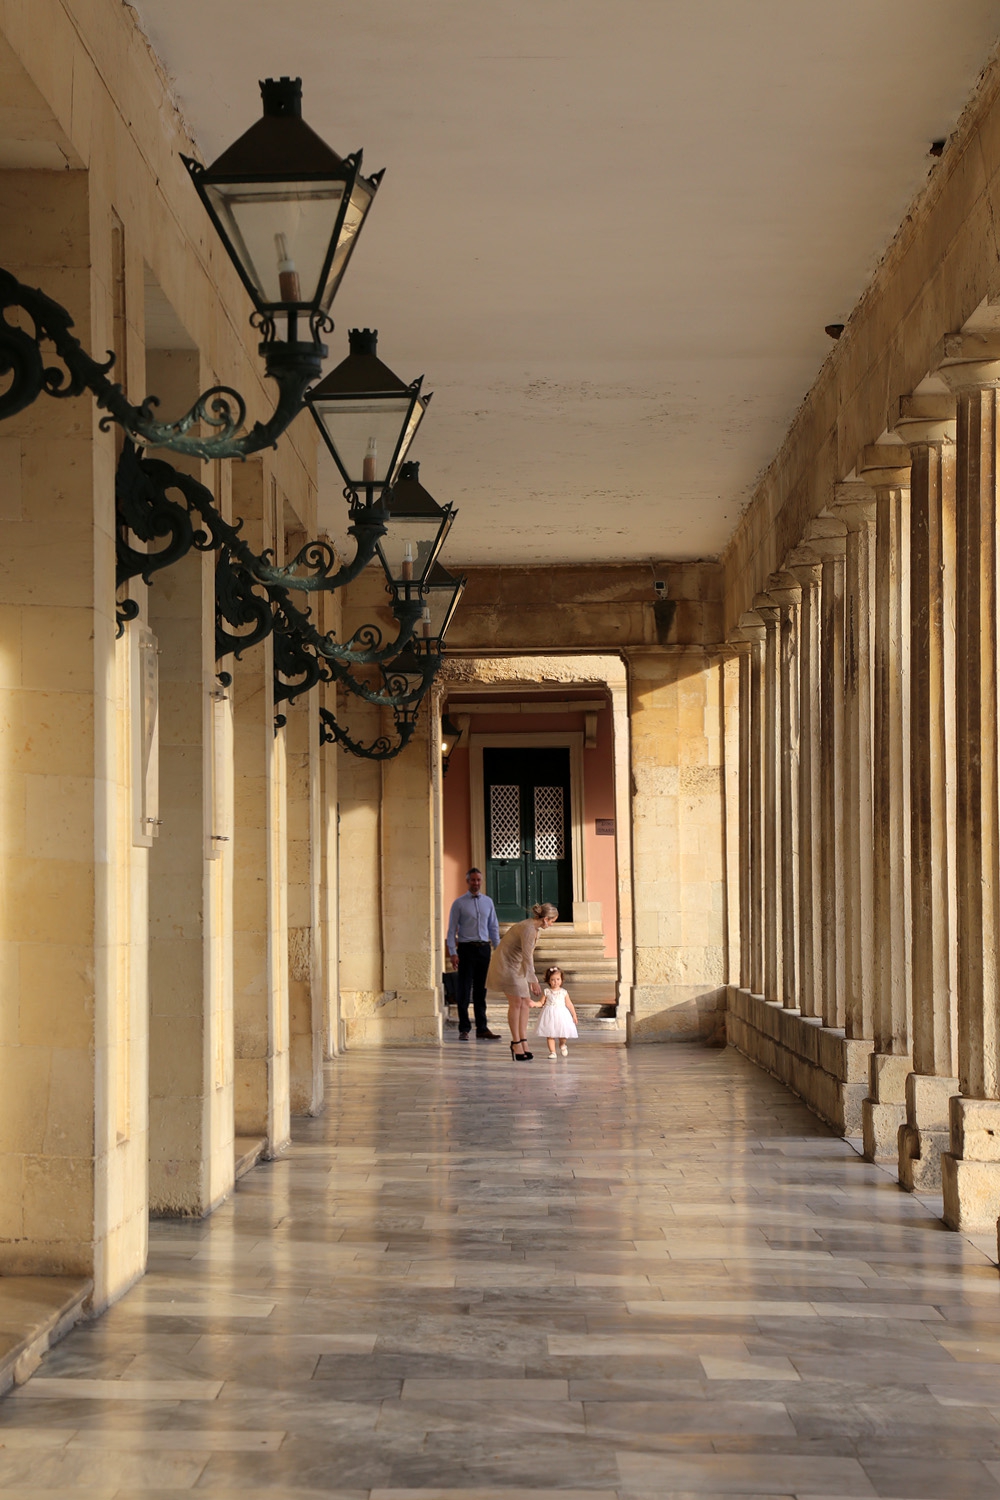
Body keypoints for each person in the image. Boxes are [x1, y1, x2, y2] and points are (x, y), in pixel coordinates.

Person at [485, 902, 558, 1060]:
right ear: (545, 919)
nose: (552, 924)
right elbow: (527, 956)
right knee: (516, 1002)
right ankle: (516, 1042)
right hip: (506, 964)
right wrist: (533, 980)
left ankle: (523, 1041)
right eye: (552, 921)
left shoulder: (534, 927)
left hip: (517, 966)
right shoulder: (529, 929)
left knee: (525, 1003)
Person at [446, 868, 501, 1039]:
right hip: (466, 949)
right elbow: (451, 930)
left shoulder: (488, 902)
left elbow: (493, 927)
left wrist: (498, 950)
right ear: (468, 881)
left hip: (483, 949)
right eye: (473, 880)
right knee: (463, 989)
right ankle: (464, 1028)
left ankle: (482, 1028)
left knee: (481, 990)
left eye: (478, 880)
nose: (476, 883)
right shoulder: (459, 903)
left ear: (481, 881)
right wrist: (453, 952)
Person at [536, 965, 579, 1058]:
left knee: (563, 1034)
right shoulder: (547, 991)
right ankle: (552, 1052)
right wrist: (534, 1004)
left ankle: (562, 1044)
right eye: (553, 980)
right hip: (549, 1015)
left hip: (561, 1015)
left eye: (558, 979)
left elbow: (569, 1004)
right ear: (548, 981)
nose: (556, 982)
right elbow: (541, 1002)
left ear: (561, 980)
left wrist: (574, 1015)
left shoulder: (563, 992)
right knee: (550, 1034)